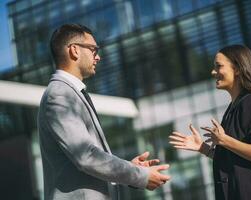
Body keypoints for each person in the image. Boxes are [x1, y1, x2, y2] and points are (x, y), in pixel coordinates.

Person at [38, 23, 170, 200]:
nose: (98, 57)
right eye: (93, 49)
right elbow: (86, 156)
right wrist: (140, 176)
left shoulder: (70, 93)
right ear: (74, 50)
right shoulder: (59, 96)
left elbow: (90, 159)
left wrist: (130, 168)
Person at [169, 44, 251, 200]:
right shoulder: (233, 108)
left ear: (237, 69)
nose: (213, 72)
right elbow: (233, 158)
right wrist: (203, 148)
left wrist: (224, 140)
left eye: (218, 66)